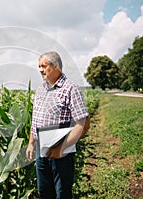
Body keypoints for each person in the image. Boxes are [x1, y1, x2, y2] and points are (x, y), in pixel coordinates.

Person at [26, 51, 90, 199]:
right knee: (44, 192)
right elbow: (35, 119)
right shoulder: (41, 90)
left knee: (62, 194)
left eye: (44, 66)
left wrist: (60, 150)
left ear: (56, 66)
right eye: (39, 66)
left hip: (62, 153)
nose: (40, 70)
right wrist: (30, 142)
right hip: (41, 152)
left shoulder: (70, 89)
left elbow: (83, 124)